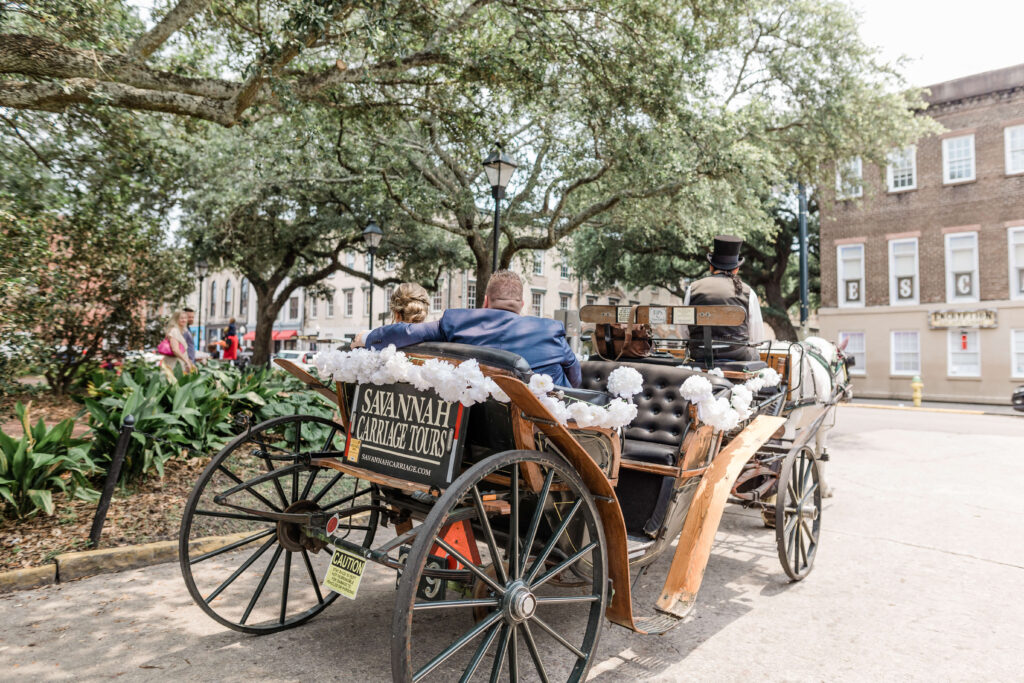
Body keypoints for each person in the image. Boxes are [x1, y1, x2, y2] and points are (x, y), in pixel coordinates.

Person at [355, 271, 581, 387]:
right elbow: (575, 377)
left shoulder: (458, 321)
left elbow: (408, 332)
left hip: (474, 426)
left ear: (485, 301)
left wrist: (366, 338)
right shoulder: (550, 330)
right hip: (544, 433)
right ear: (522, 305)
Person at [682, 235, 766, 362]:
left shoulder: (692, 288)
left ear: (711, 267)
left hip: (699, 353)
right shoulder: (748, 292)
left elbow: (684, 330)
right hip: (737, 354)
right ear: (736, 269)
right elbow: (757, 337)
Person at [161, 310, 194, 380]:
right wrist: (186, 361)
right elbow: (175, 349)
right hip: (173, 366)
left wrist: (189, 362)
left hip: (178, 365)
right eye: (181, 318)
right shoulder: (174, 331)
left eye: (185, 318)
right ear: (176, 319)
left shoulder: (181, 331)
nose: (184, 320)